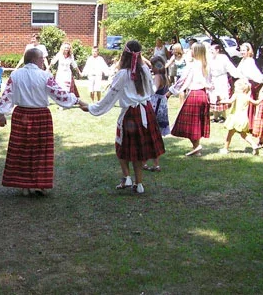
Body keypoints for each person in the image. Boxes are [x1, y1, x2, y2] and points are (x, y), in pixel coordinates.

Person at [79, 41, 164, 194]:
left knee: (122, 146)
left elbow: (110, 96)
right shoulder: (145, 69)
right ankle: (138, 184)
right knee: (138, 149)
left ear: (124, 54)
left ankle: (127, 177)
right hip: (146, 111)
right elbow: (150, 91)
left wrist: (91, 108)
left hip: (131, 115)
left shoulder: (123, 74)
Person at [0, 48, 79, 195]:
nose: (43, 62)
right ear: (34, 59)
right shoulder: (44, 75)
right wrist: (75, 99)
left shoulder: (16, 75)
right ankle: (39, 184)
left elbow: (6, 95)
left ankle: (24, 186)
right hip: (41, 116)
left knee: (22, 150)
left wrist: (1, 113)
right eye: (41, 59)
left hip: (21, 114)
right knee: (40, 151)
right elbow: (59, 93)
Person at [167, 43, 212, 156]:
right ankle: (196, 148)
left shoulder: (193, 65)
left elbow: (183, 80)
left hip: (195, 94)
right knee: (197, 122)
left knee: (189, 123)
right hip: (203, 95)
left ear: (196, 51)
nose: (189, 51)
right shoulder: (206, 64)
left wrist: (169, 92)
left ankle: (196, 147)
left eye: (191, 49)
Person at [219, 79, 262, 155]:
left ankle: (225, 149)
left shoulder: (236, 95)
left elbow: (229, 101)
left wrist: (221, 101)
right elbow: (256, 103)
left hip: (235, 118)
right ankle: (254, 145)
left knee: (229, 135)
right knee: (244, 135)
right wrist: (261, 99)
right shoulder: (247, 96)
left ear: (239, 88)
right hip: (243, 119)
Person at [143, 56, 170, 172]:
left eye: (152, 66)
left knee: (150, 134)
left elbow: (152, 90)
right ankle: (150, 162)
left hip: (155, 106)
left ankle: (152, 163)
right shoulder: (164, 76)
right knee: (154, 134)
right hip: (161, 105)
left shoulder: (158, 77)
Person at [209, 43, 241, 123]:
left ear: (217, 50)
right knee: (213, 96)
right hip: (213, 79)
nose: (211, 51)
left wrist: (238, 75)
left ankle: (223, 116)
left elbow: (230, 68)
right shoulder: (210, 58)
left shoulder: (223, 58)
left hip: (221, 79)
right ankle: (216, 116)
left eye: (212, 50)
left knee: (222, 96)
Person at [237, 42, 263, 132]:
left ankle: (250, 125)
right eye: (241, 50)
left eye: (244, 50)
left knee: (249, 104)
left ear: (248, 51)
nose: (242, 52)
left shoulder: (250, 61)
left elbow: (252, 74)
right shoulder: (243, 60)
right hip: (243, 84)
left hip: (248, 84)